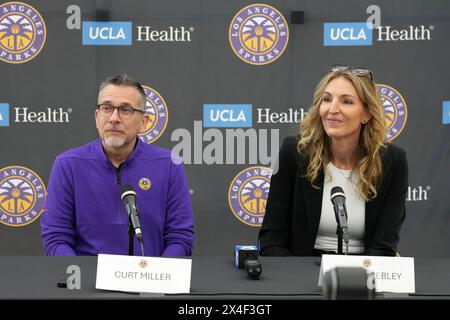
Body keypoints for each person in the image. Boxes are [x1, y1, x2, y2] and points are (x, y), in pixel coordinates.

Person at [259, 65, 408, 257]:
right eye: (327, 99)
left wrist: (356, 280)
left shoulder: (392, 161)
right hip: (301, 273)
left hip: (363, 273)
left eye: (346, 101)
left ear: (366, 114)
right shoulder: (294, 153)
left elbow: (383, 246)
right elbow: (273, 240)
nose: (332, 109)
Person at [41, 74, 194, 256]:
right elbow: (56, 238)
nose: (114, 118)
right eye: (107, 108)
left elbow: (180, 238)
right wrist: (82, 277)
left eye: (125, 110)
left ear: (143, 122)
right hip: (88, 280)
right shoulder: (68, 165)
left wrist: (157, 278)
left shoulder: (169, 164)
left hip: (149, 280)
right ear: (97, 117)